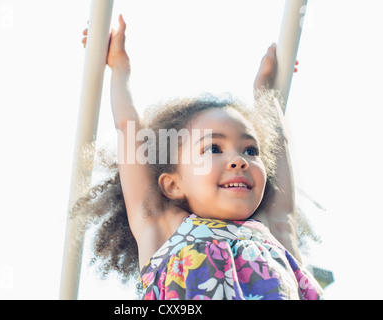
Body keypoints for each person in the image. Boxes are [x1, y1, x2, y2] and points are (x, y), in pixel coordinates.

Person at [78, 15, 323, 300]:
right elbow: (129, 129)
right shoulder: (164, 226)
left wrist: (266, 94)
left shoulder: (275, 232)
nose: (239, 160)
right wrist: (120, 69)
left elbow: (278, 145)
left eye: (250, 150)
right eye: (214, 149)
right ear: (173, 184)